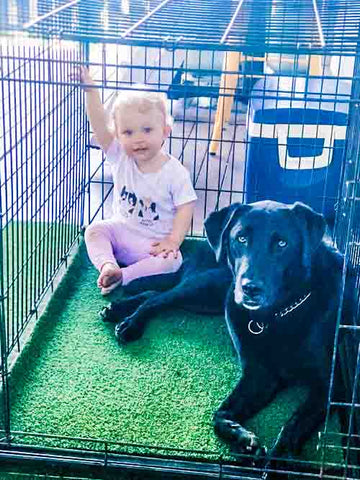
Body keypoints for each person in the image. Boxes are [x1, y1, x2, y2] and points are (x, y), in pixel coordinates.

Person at [78, 67, 197, 295]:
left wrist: (173, 240)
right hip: (121, 232)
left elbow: (186, 207)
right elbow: (100, 126)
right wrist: (91, 91)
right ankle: (108, 264)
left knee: (172, 261)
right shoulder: (119, 156)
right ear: (119, 135)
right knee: (94, 230)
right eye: (128, 132)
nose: (138, 139)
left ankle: (123, 276)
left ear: (165, 131)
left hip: (152, 244)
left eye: (147, 130)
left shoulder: (175, 172)